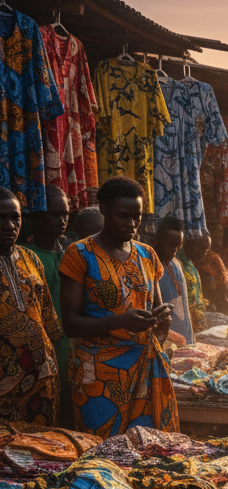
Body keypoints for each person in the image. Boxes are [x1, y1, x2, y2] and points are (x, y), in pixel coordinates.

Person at [59, 176, 177, 437]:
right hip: (99, 379)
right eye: (123, 216)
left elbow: (156, 309)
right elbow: (70, 324)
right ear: (103, 211)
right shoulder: (79, 255)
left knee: (147, 453)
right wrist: (120, 320)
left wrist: (162, 318)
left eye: (137, 217)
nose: (132, 224)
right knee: (103, 455)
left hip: (145, 371)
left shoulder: (147, 255)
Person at [0, 188, 63, 424]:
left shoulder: (31, 259)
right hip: (5, 386)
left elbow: (48, 321)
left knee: (44, 453)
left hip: (43, 382)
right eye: (1, 217)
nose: (9, 225)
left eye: (14, 217)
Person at [25, 183, 73, 425]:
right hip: (38, 352)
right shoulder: (24, 256)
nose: (61, 221)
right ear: (37, 216)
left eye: (65, 214)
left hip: (69, 346)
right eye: (54, 214)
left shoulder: (69, 255)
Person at [153, 215, 194, 344]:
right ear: (157, 241)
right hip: (165, 341)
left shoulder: (176, 264)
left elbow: (185, 307)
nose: (174, 250)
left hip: (184, 337)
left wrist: (191, 339)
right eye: (170, 245)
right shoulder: (150, 266)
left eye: (178, 246)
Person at [184, 234, 228, 318]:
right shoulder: (186, 265)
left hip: (209, 308)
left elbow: (222, 297)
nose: (203, 253)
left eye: (206, 250)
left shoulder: (212, 260)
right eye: (200, 248)